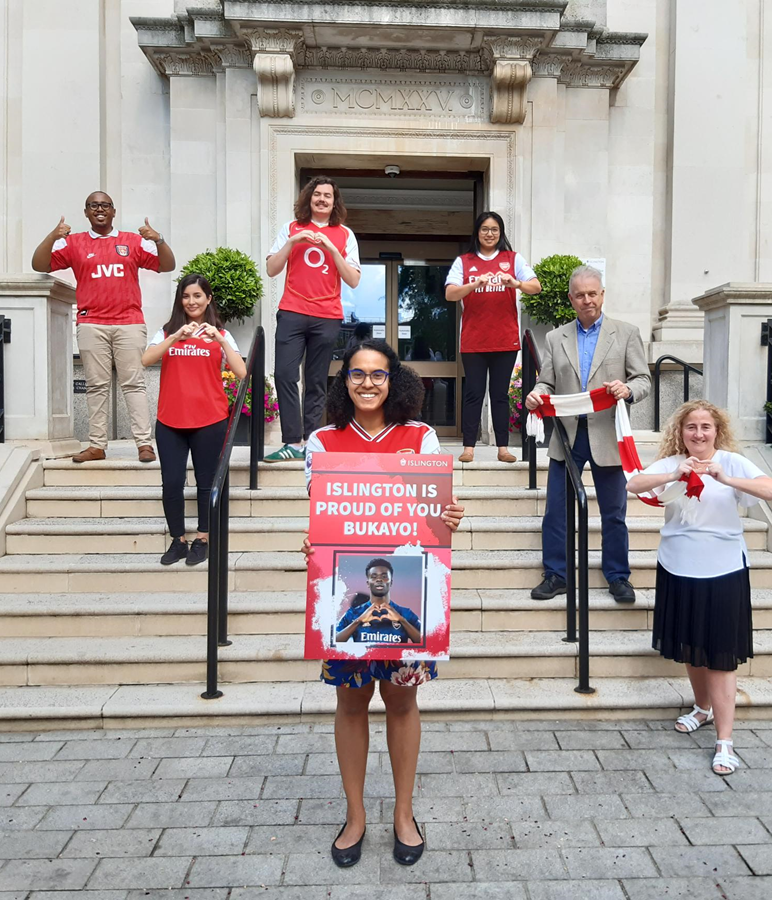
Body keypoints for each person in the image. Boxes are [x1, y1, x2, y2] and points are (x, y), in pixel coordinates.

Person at [301, 337, 464, 869]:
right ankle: (355, 815)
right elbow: (324, 517)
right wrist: (313, 543)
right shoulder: (322, 441)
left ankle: (403, 812)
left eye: (378, 374)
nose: (367, 383)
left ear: (394, 380)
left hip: (408, 585)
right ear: (343, 380)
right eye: (356, 374)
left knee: (401, 702)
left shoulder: (421, 437)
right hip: (343, 594)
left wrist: (447, 520)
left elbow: (431, 516)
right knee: (350, 704)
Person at [625, 400, 772, 775]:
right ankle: (702, 708)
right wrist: (673, 474)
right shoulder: (671, 464)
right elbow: (633, 483)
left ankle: (725, 741)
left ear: (717, 431)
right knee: (692, 647)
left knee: (721, 653)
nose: (698, 433)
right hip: (678, 565)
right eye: (691, 427)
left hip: (724, 568)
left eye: (705, 427)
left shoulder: (730, 462)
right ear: (681, 432)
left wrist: (724, 478)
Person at [524, 265, 651, 604]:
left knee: (613, 511)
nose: (587, 300)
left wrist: (627, 389)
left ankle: (618, 577)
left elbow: (644, 380)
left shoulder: (626, 333)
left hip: (607, 434)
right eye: (580, 295)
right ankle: (556, 575)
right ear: (571, 299)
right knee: (556, 511)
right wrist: (535, 393)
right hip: (566, 436)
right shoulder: (555, 337)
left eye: (592, 293)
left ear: (602, 295)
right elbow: (546, 381)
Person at [31, 191, 176, 463]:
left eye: (105, 205)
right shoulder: (73, 243)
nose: (100, 209)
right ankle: (97, 445)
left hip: (129, 323)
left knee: (133, 384)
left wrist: (159, 239)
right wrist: (53, 236)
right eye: (93, 206)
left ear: (113, 211)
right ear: (86, 212)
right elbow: (39, 263)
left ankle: (144, 444)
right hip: (91, 323)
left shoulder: (132, 242)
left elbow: (167, 265)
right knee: (96, 386)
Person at [140, 274, 247, 565]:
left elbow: (241, 372)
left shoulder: (221, 334)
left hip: (210, 420)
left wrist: (221, 341)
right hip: (170, 421)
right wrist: (176, 337)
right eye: (186, 296)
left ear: (208, 299)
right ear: (180, 300)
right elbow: (146, 360)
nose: (192, 302)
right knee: (172, 482)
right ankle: (178, 540)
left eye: (198, 296)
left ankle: (203, 538)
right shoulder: (167, 332)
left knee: (205, 483)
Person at [264, 176, 361, 462]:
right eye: (317, 194)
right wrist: (293, 242)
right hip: (292, 311)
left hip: (327, 316)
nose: (321, 199)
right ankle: (291, 441)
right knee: (284, 374)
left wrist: (332, 249)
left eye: (327, 196)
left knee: (316, 380)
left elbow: (353, 279)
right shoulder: (290, 229)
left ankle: (309, 442)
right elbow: (271, 269)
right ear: (309, 198)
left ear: (334, 201)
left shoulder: (345, 234)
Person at [444, 211, 541, 464]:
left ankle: (503, 448)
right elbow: (451, 294)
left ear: (501, 233)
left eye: (494, 229)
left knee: (500, 394)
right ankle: (468, 447)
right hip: (473, 340)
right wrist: (473, 285)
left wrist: (515, 283)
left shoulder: (513, 258)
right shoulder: (464, 261)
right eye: (485, 229)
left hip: (505, 340)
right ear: (477, 232)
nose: (490, 234)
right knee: (474, 393)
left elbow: (536, 287)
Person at [335, 558, 423, 644]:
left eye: (384, 576)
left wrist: (402, 620)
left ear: (391, 582)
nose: (379, 579)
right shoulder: (353, 613)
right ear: (368, 583)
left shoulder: (406, 613)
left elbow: (428, 643)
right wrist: (359, 621)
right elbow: (332, 642)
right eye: (374, 577)